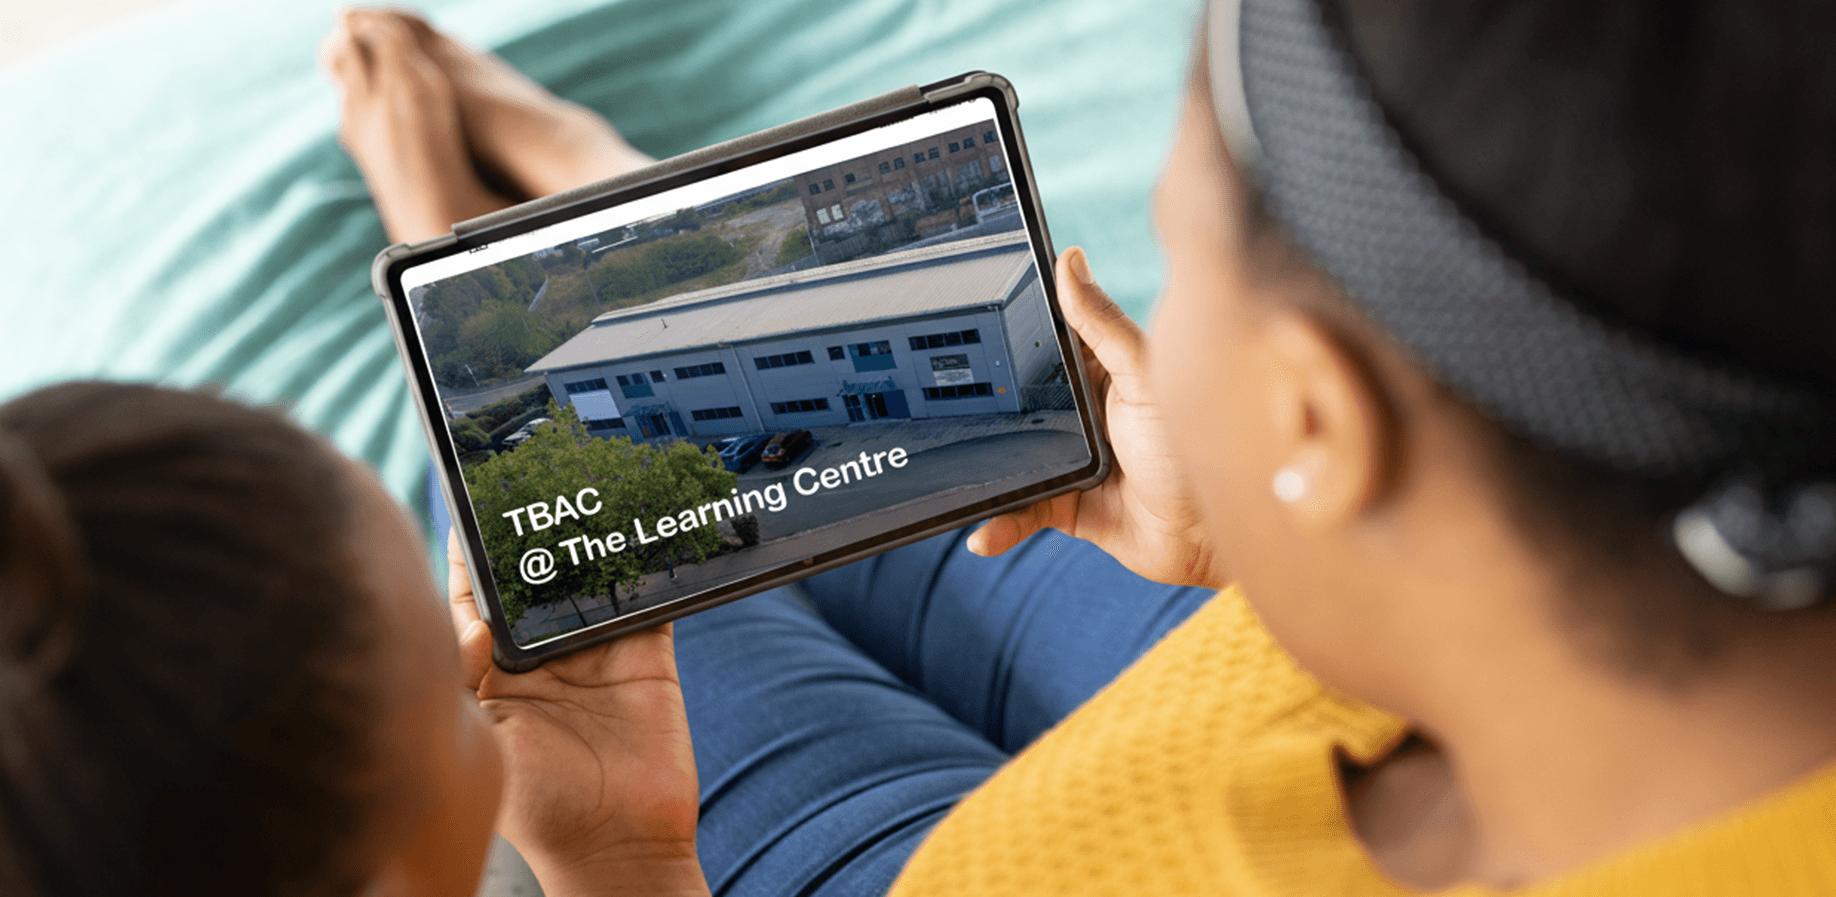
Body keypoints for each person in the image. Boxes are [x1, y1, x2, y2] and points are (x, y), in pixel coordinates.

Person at [4, 0, 1831, 894]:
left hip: (987, 839)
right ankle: (604, 251)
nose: (1148, 289)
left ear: (1324, 419)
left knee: (620, 560)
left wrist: (626, 870)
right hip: (1311, 677)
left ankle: (539, 292)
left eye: (1182, 257)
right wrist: (1236, 539)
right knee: (907, 472)